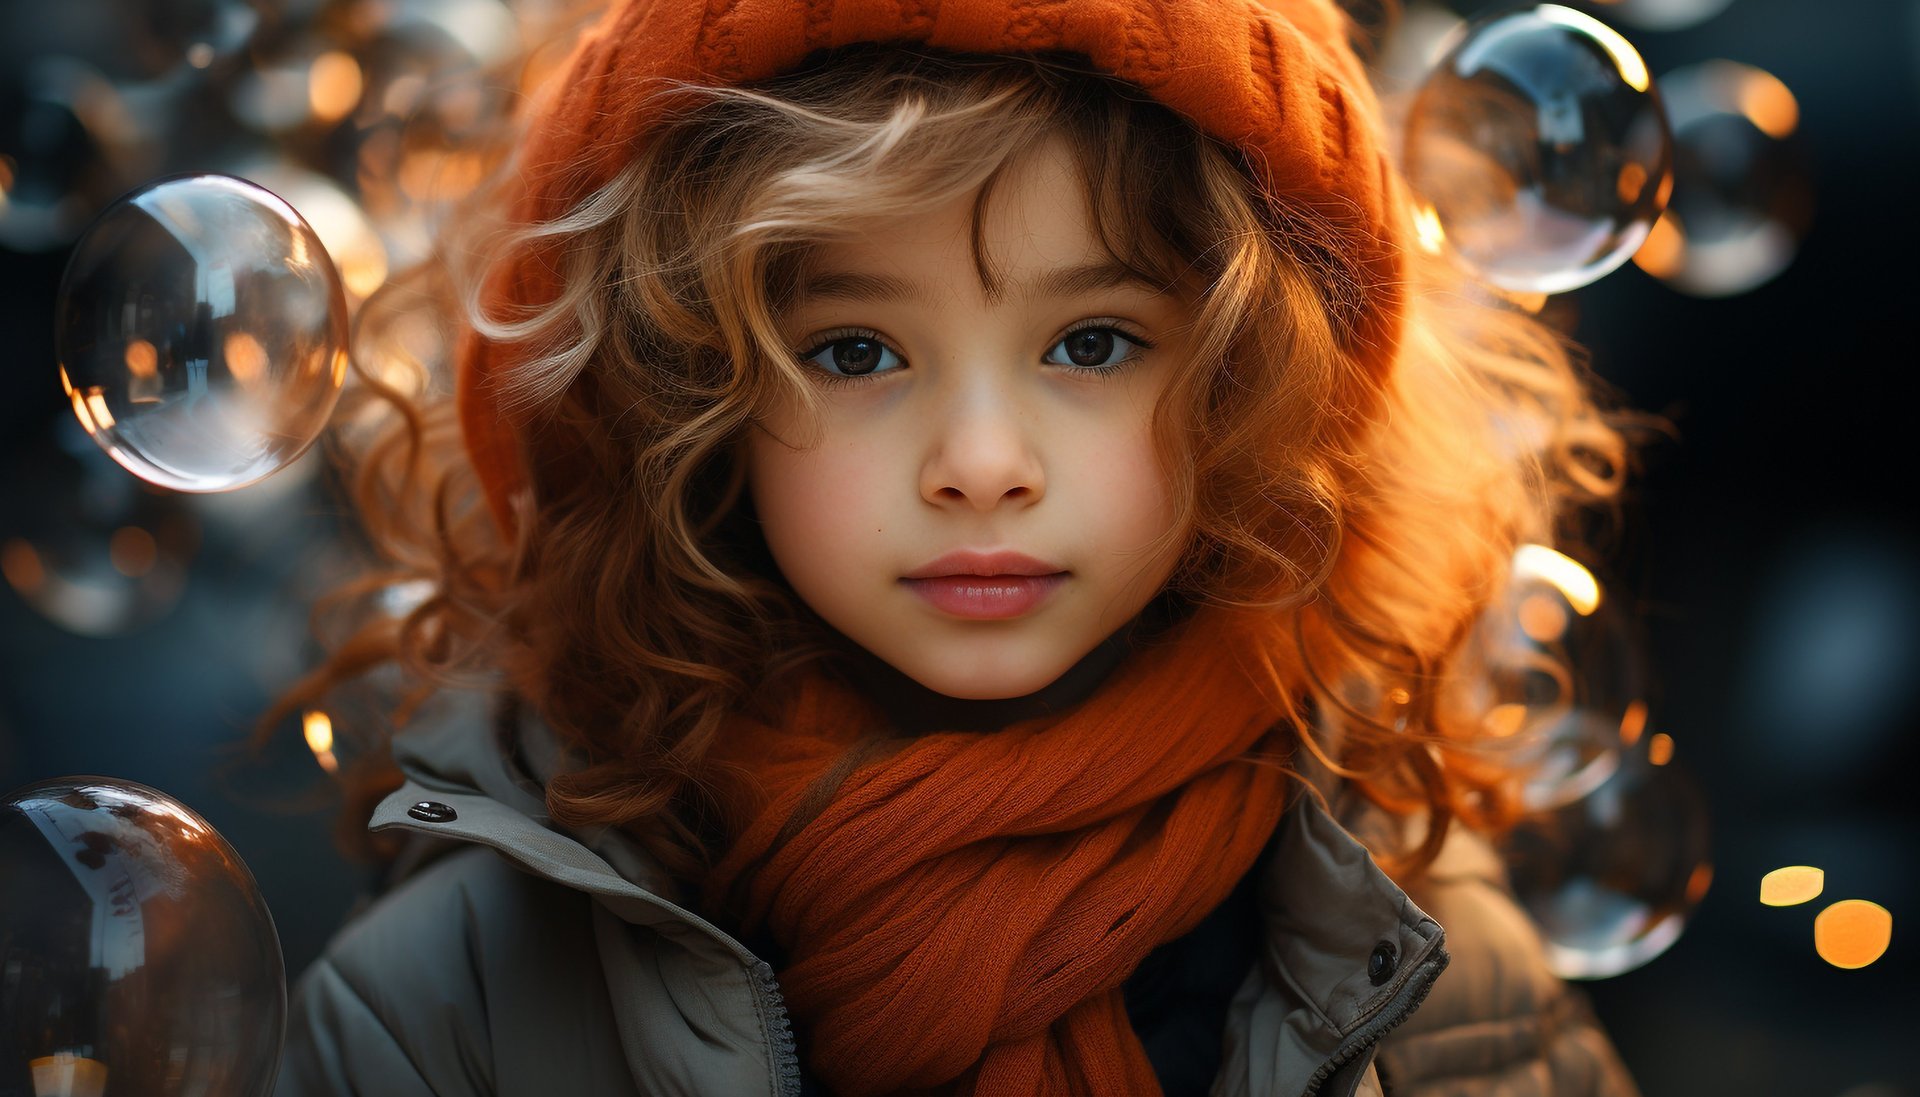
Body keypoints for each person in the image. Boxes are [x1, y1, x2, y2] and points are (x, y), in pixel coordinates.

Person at [267, 0, 1651, 1094]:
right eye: (855, 350)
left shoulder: (1429, 960)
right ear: (678, 398)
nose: (982, 464)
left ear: (1257, 387)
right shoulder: (453, 1004)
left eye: (1090, 342)